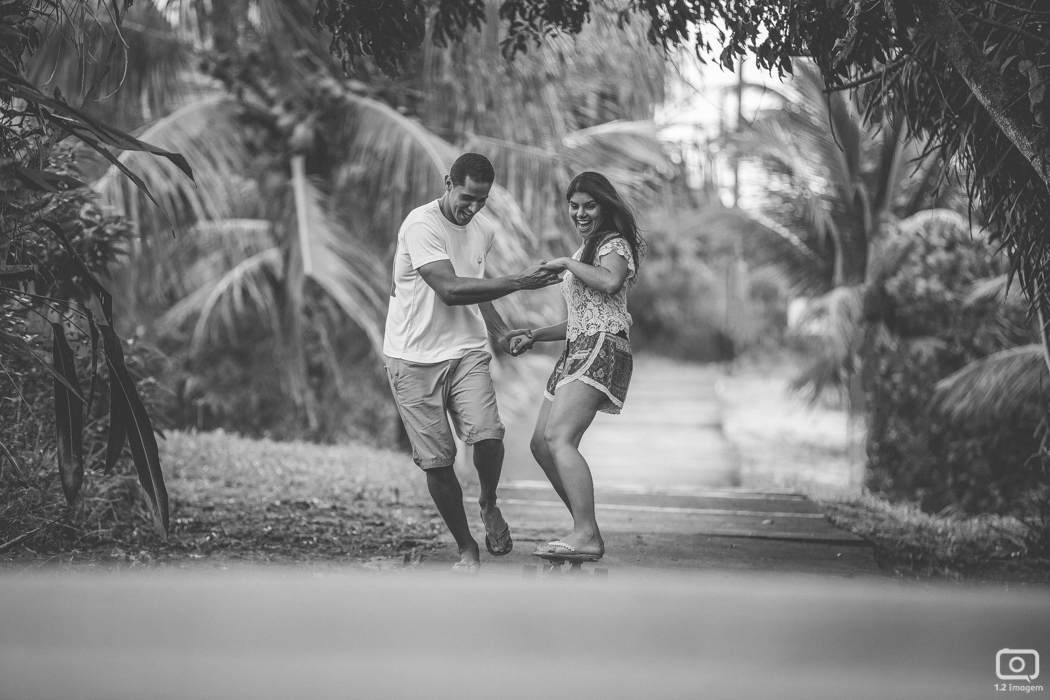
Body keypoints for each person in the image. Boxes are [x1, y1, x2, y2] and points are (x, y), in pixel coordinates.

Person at [383, 152, 560, 574]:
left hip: (465, 350)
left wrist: (499, 332)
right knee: (439, 461)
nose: (473, 208)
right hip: (412, 358)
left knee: (488, 436)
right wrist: (520, 280)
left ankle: (488, 501)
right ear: (448, 182)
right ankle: (467, 549)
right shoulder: (421, 225)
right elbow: (448, 287)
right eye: (466, 197)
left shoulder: (483, 229)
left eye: (481, 200)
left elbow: (476, 287)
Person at [505, 172, 645, 561]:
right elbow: (582, 317)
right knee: (541, 444)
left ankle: (586, 533)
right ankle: (587, 530)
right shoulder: (588, 249)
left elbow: (610, 283)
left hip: (602, 348)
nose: (580, 213)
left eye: (589, 205)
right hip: (578, 348)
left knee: (560, 438)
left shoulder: (613, 244)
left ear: (604, 206)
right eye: (574, 206)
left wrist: (566, 262)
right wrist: (535, 334)